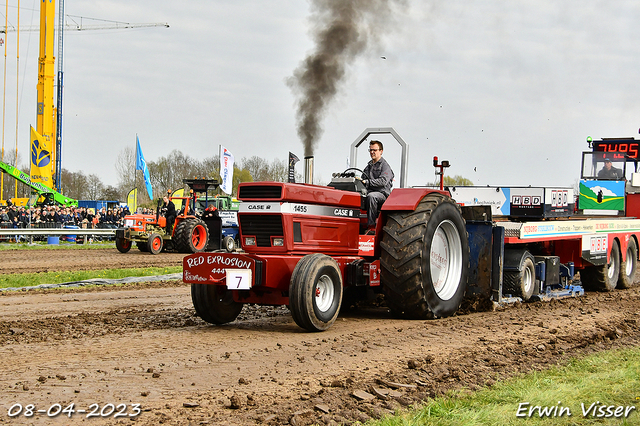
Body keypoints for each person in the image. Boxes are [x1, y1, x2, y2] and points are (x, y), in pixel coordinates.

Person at [361, 140, 394, 234]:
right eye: (370, 150)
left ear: (381, 151)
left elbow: (383, 181)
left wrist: (367, 182)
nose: (372, 152)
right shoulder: (368, 166)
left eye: (375, 150)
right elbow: (363, 179)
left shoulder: (385, 166)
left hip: (382, 194)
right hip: (369, 192)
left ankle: (371, 227)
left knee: (372, 197)